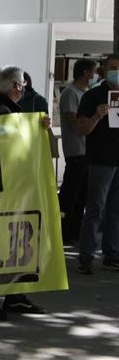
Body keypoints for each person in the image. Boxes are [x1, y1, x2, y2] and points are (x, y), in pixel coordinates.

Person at [0, 66, 48, 319]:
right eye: (22, 83)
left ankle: (13, 297)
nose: (24, 87)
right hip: (3, 190)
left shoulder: (7, 110)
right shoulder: (2, 112)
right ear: (16, 86)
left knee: (13, 243)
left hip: (9, 188)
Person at [74, 54, 119, 275]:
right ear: (103, 70)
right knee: (95, 209)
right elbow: (80, 129)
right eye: (113, 68)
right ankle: (87, 255)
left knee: (115, 210)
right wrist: (96, 117)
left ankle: (112, 254)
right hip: (101, 160)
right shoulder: (93, 96)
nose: (116, 72)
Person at [59, 59, 98, 244]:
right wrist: (92, 121)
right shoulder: (70, 94)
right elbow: (74, 123)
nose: (95, 75)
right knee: (70, 195)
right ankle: (63, 232)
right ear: (85, 72)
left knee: (82, 197)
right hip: (76, 152)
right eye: (93, 72)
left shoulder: (86, 94)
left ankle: (74, 234)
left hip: (87, 152)